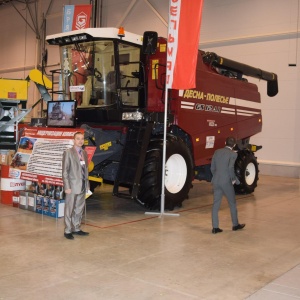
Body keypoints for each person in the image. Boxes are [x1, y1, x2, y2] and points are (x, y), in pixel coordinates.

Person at [210, 136, 245, 234]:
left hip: (216, 181)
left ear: (225, 142)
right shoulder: (233, 154)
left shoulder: (217, 152)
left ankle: (215, 227)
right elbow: (230, 168)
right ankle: (235, 225)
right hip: (226, 182)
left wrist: (217, 176)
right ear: (234, 145)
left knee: (216, 204)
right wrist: (234, 180)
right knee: (232, 203)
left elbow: (212, 167)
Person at [62, 131, 90, 240]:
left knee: (79, 209)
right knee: (69, 209)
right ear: (74, 140)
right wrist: (67, 186)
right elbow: (65, 171)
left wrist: (87, 185)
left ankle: (77, 228)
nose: (80, 141)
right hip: (72, 186)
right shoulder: (68, 152)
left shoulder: (84, 153)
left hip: (82, 185)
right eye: (78, 138)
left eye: (82, 139)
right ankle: (68, 230)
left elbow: (86, 170)